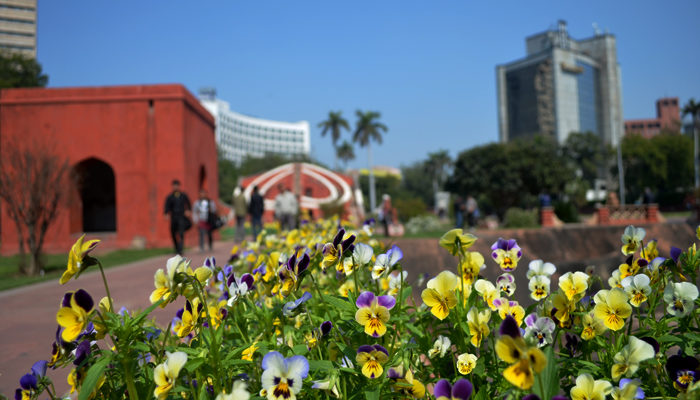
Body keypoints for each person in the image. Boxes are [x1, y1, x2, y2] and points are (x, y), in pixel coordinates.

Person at [163, 179, 191, 255]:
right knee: (173, 233)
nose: (175, 187)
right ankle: (176, 248)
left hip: (181, 217)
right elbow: (167, 206)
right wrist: (166, 213)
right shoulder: (170, 197)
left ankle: (180, 249)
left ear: (179, 186)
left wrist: (188, 210)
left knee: (181, 233)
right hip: (173, 217)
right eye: (174, 185)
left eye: (176, 185)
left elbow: (188, 203)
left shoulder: (183, 195)